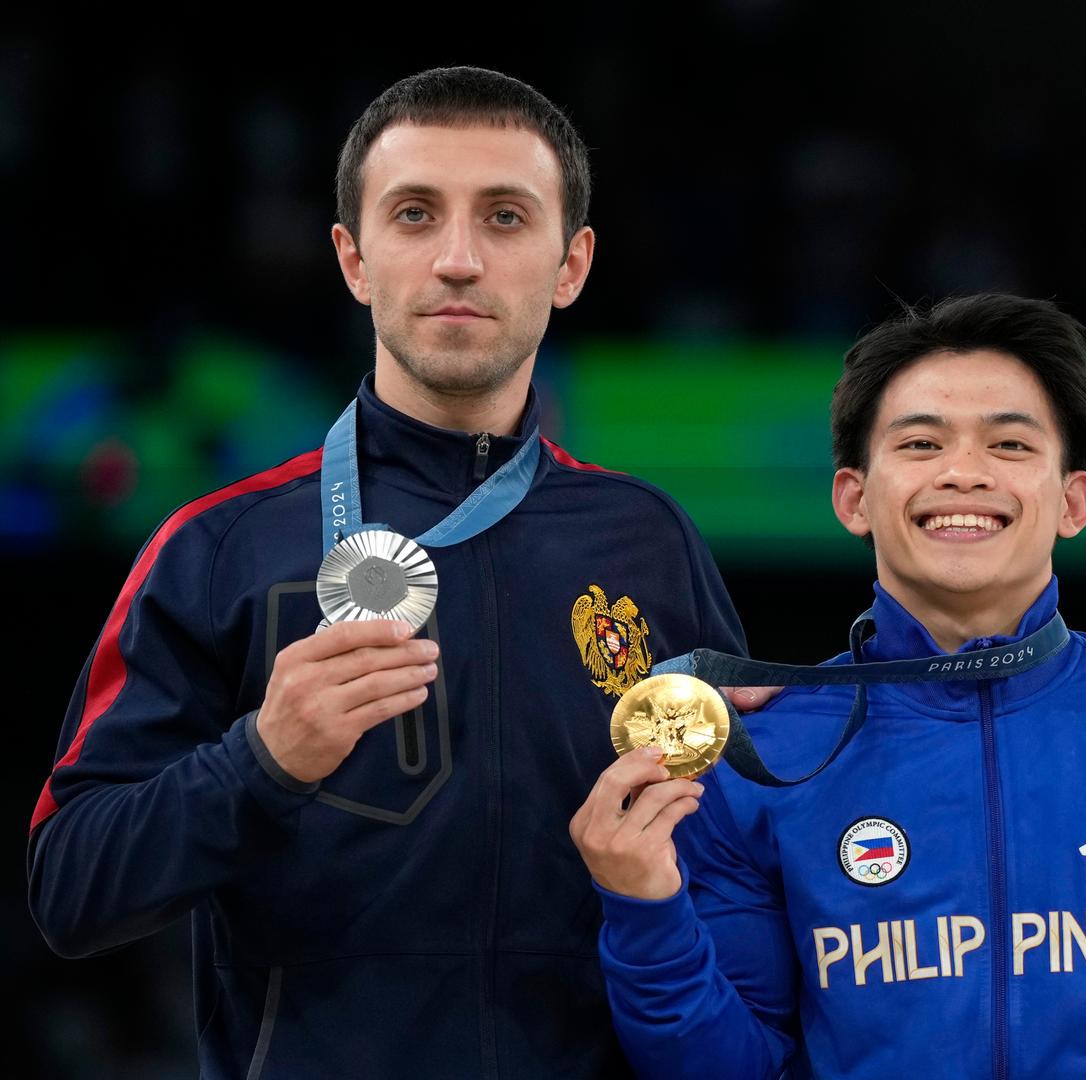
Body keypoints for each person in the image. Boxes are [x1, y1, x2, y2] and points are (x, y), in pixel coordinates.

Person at [28, 67, 745, 1079]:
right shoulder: (218, 546)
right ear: (354, 258)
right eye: (415, 216)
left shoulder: (647, 541)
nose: (458, 259)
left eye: (505, 217)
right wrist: (261, 761)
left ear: (571, 262)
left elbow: (739, 870)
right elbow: (71, 888)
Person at [570, 293, 1086, 1078]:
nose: (964, 473)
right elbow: (726, 1068)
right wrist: (644, 907)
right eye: (923, 442)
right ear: (853, 497)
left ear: (1073, 500)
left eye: (1008, 444)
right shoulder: (766, 753)